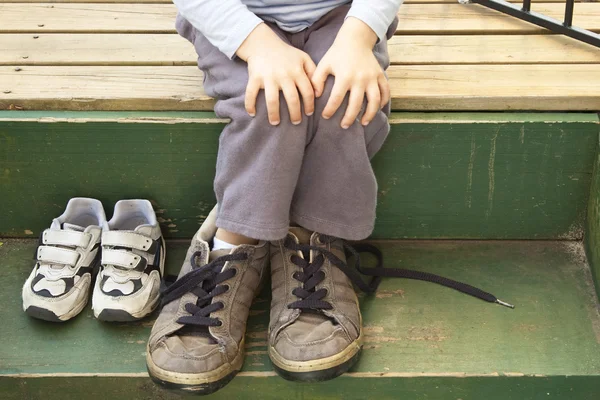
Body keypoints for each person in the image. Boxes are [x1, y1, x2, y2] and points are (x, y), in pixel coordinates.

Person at [146, 0, 403, 394]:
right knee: (271, 100)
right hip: (237, 20)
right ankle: (230, 245)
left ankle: (310, 243)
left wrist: (358, 37)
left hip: (346, 19)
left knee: (344, 99)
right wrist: (258, 44)